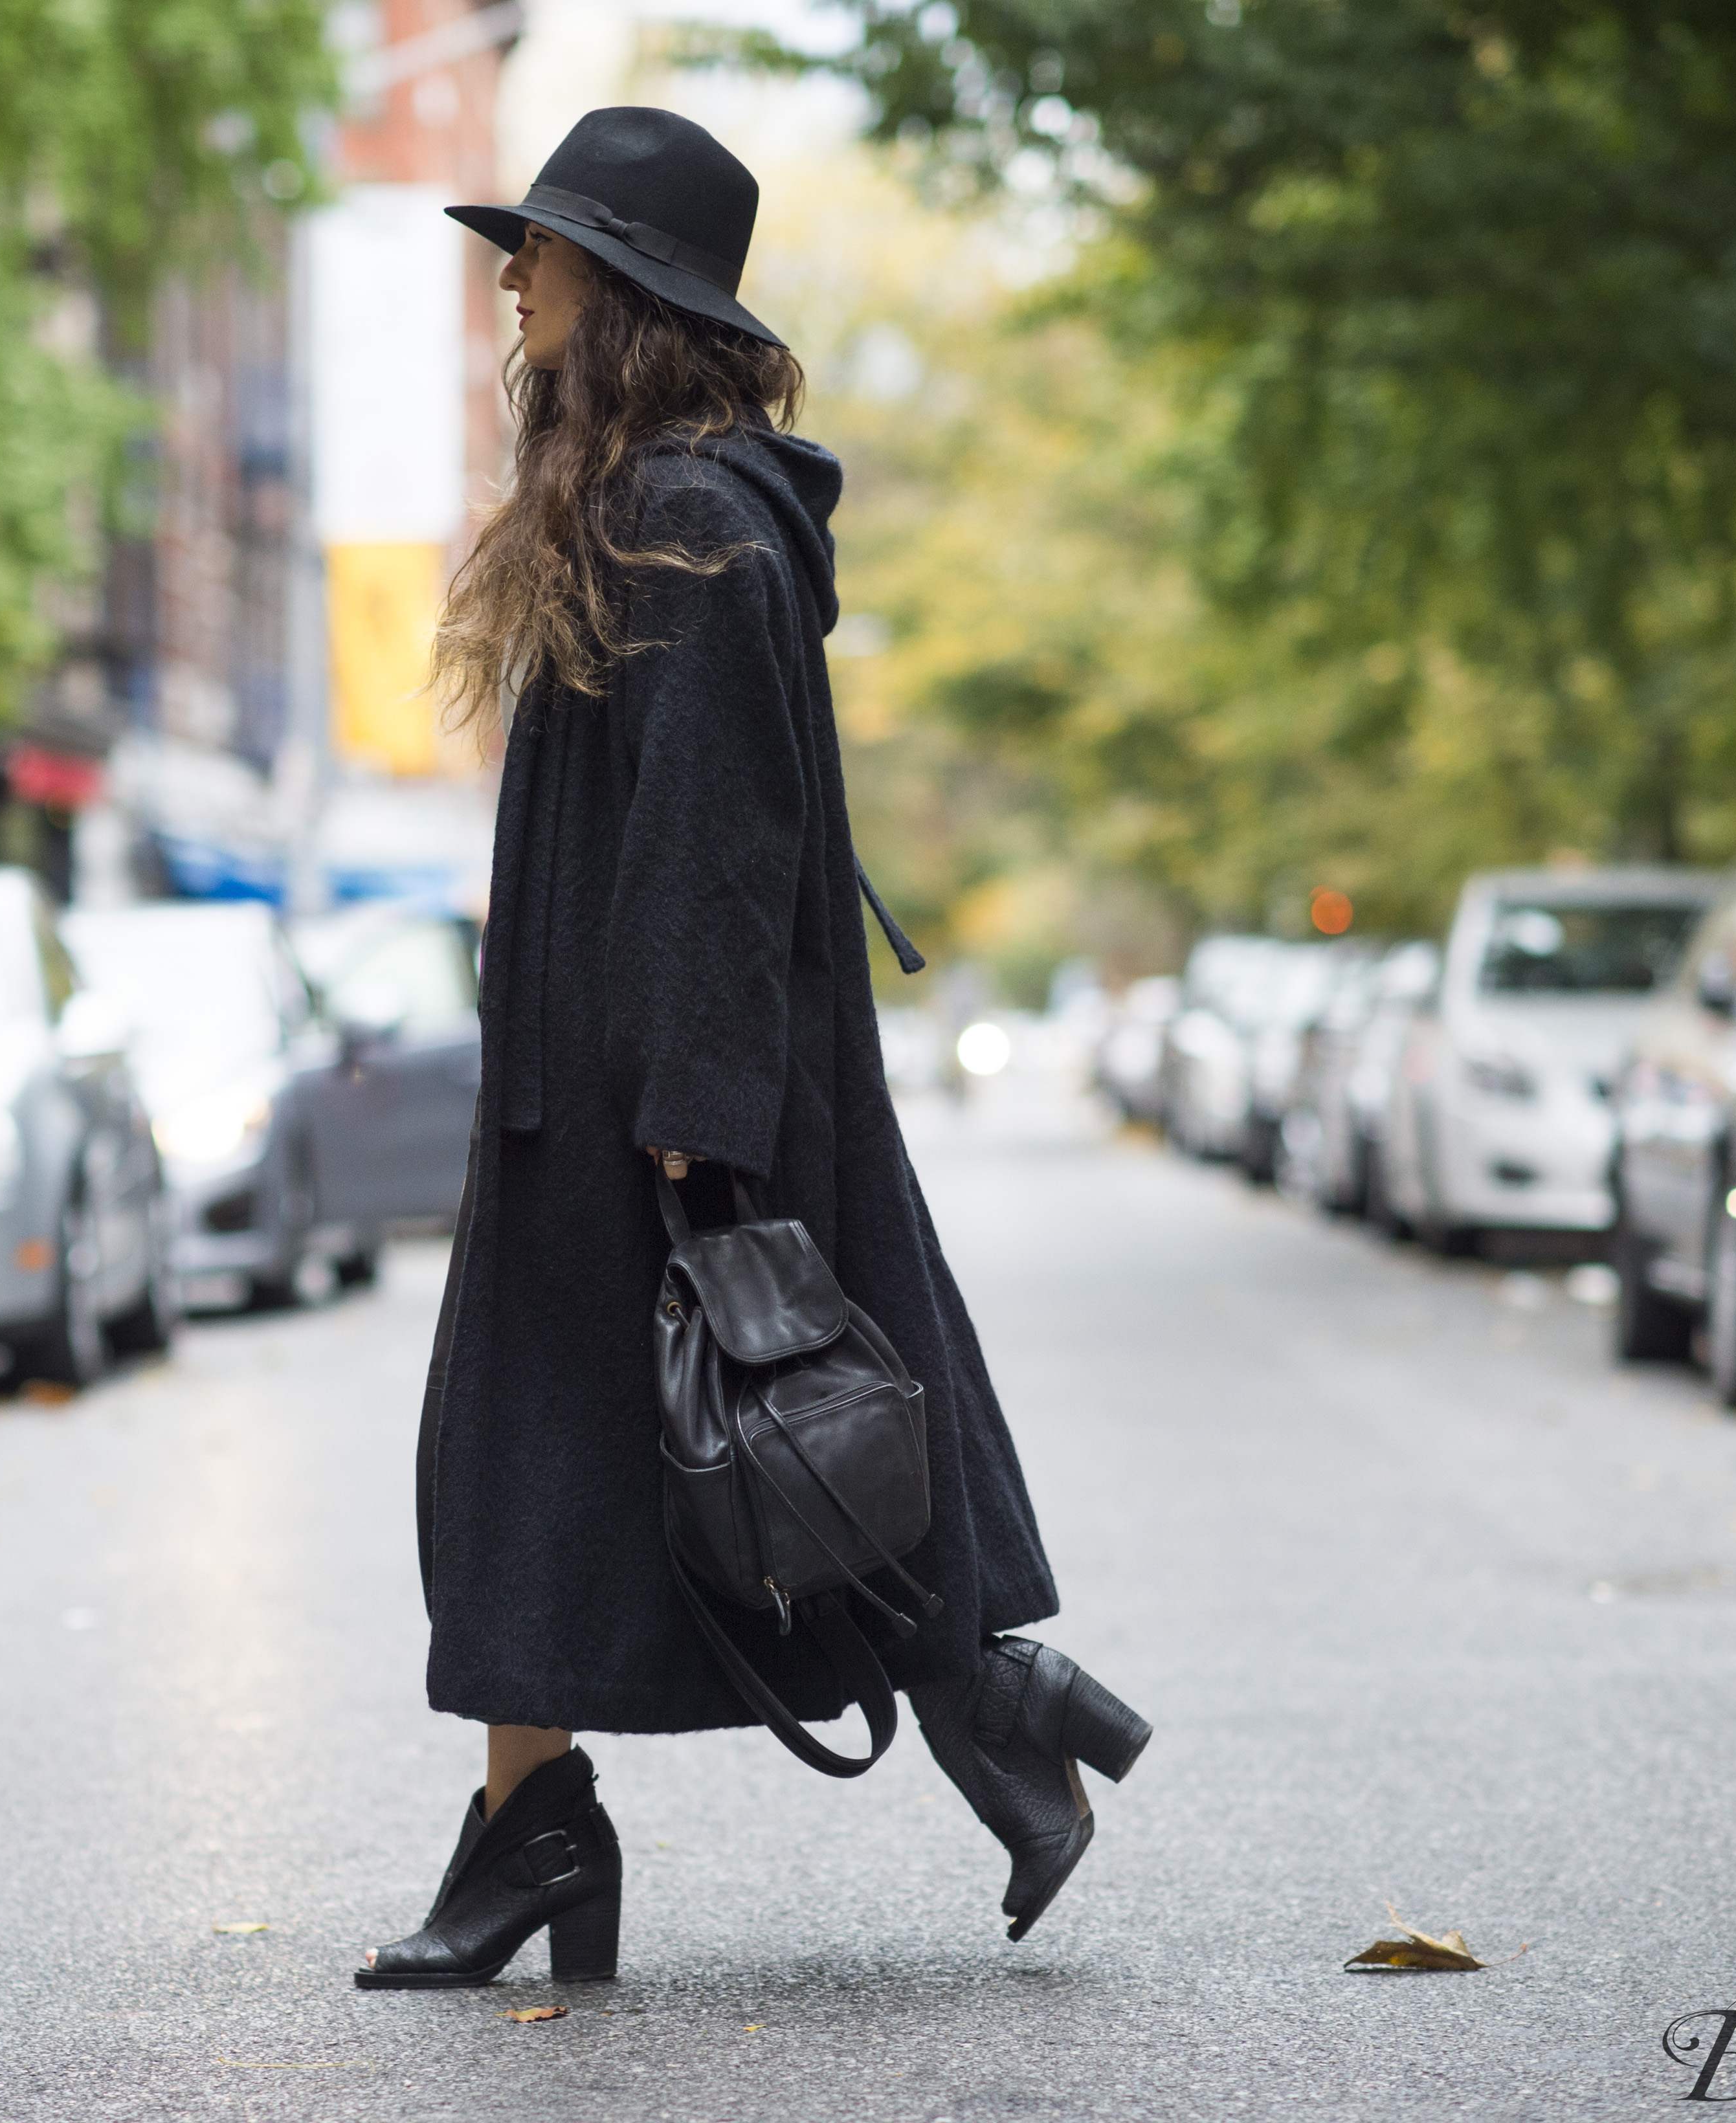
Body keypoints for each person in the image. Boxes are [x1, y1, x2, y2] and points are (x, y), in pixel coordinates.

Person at [356, 107, 1151, 1992]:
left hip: (666, 1103)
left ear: (617, 290)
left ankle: (960, 1714)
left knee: (765, 1456)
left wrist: (694, 1131)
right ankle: (557, 1822)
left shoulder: (694, 526)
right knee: (591, 1471)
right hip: (608, 1097)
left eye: (537, 252)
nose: (511, 278)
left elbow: (716, 854)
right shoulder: (641, 507)